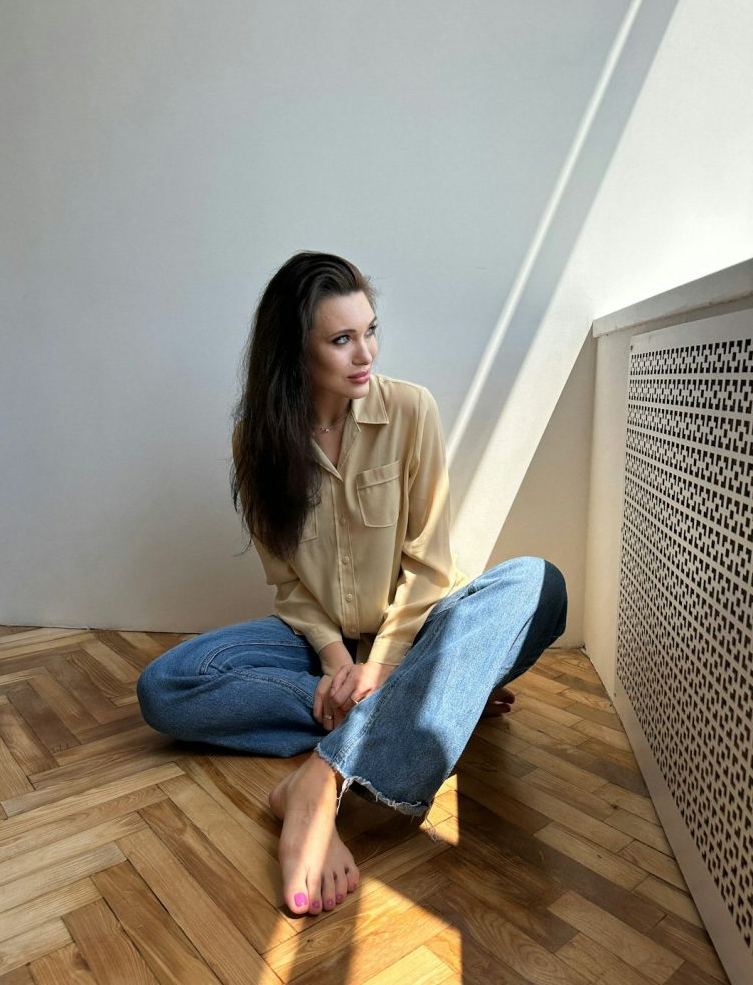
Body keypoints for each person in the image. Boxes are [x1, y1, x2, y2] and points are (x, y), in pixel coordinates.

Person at [136, 251, 568, 918]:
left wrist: (385, 664)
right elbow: (288, 583)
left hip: (419, 627)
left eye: (370, 330)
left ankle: (321, 779)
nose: (366, 353)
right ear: (294, 351)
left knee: (539, 584)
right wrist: (342, 664)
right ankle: (430, 699)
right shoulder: (256, 441)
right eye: (342, 339)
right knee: (166, 686)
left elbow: (430, 564)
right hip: (321, 641)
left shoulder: (412, 410)